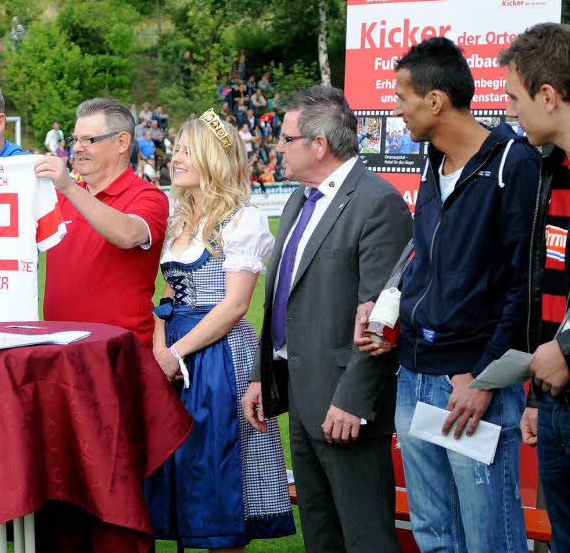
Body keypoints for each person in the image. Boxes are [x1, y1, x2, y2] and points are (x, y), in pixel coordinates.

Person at [353, 37, 539, 553]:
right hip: (415, 374)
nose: (394, 109)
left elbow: (524, 286)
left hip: (471, 385)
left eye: (400, 97)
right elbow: (423, 259)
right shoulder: (432, 162)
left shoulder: (513, 165)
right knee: (433, 535)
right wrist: (386, 303)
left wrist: (485, 376)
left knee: (489, 537)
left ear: (434, 100)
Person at [242, 86, 411, 552]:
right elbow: (283, 300)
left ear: (319, 145)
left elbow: (382, 317)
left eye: (287, 137)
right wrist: (263, 374)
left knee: (364, 535)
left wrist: (354, 399)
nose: (278, 146)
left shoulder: (378, 203)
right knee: (320, 534)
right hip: (300, 393)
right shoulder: (300, 198)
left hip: (345, 404)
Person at [144, 110, 294, 549]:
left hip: (218, 356)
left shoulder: (241, 221)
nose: (176, 158)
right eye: (176, 150)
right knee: (177, 461)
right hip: (175, 349)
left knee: (215, 463)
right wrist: (159, 348)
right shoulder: (178, 219)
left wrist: (177, 353)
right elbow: (167, 295)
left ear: (213, 158)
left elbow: (234, 306)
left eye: (187, 150)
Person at [500, 22, 570, 553]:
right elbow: (551, 288)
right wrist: (536, 395)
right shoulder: (552, 171)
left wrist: (567, 350)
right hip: (553, 399)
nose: (509, 111)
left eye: (514, 97)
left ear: (547, 96)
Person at [34, 98, 170, 344]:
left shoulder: (148, 196)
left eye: (88, 140)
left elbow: (128, 234)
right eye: (75, 139)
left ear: (121, 142)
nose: (77, 148)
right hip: (60, 353)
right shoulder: (57, 198)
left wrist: (69, 188)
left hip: (119, 356)